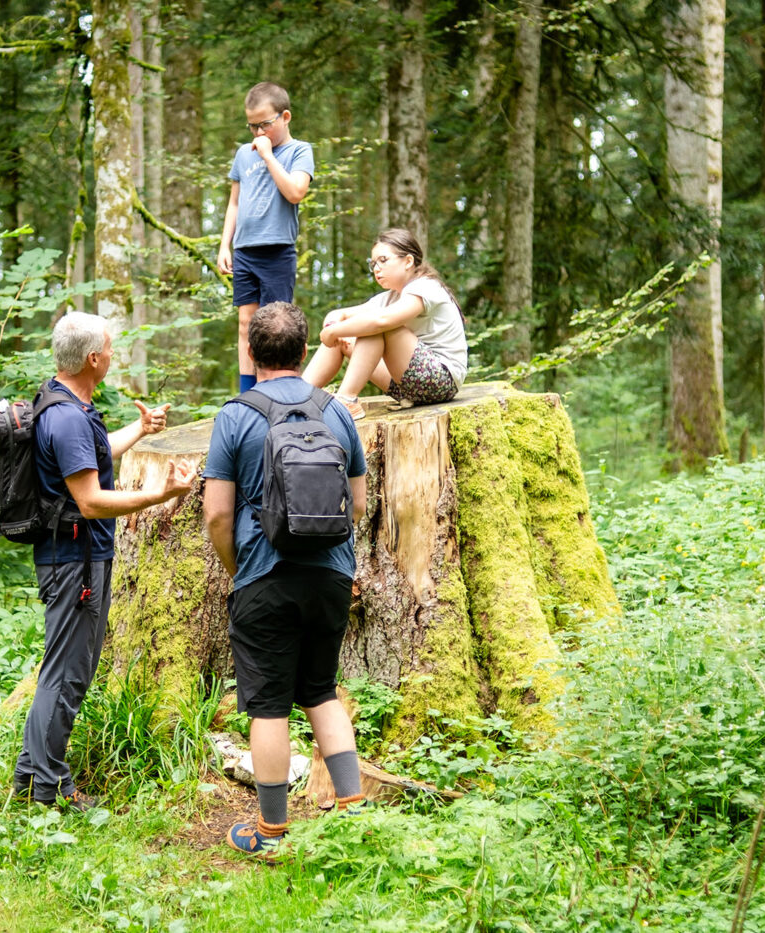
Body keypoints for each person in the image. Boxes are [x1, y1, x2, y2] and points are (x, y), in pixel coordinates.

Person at [203, 301, 369, 854]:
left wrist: (239, 570)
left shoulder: (235, 415)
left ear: (252, 352)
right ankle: (354, 814)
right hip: (329, 574)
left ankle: (270, 830)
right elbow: (359, 504)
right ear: (303, 351)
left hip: (262, 576)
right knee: (321, 690)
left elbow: (217, 514)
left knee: (269, 705)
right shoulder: (337, 411)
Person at [12, 311, 196, 810]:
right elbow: (91, 499)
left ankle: (33, 776)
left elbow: (89, 459)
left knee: (64, 671)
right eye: (110, 349)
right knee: (67, 675)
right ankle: (46, 789)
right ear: (93, 358)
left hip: (77, 557)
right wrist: (158, 494)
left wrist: (137, 429)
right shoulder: (68, 417)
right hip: (75, 562)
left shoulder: (66, 404)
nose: (112, 356)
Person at [303, 228, 468, 421]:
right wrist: (333, 328)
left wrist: (332, 331)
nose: (376, 268)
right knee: (350, 333)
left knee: (378, 326)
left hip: (440, 381)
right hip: (407, 385)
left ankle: (347, 399)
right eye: (373, 263)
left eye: (383, 260)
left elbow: (382, 321)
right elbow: (340, 314)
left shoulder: (426, 286)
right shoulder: (390, 297)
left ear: (408, 261)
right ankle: (298, 397)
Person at [216, 82, 315, 394]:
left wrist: (269, 156)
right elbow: (234, 202)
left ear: (285, 117)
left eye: (265, 125)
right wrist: (224, 245)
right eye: (252, 126)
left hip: (277, 249)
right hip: (245, 249)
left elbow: (296, 192)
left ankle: (280, 391)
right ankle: (249, 394)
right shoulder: (243, 155)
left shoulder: (299, 151)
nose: (258, 133)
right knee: (246, 324)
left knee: (277, 326)